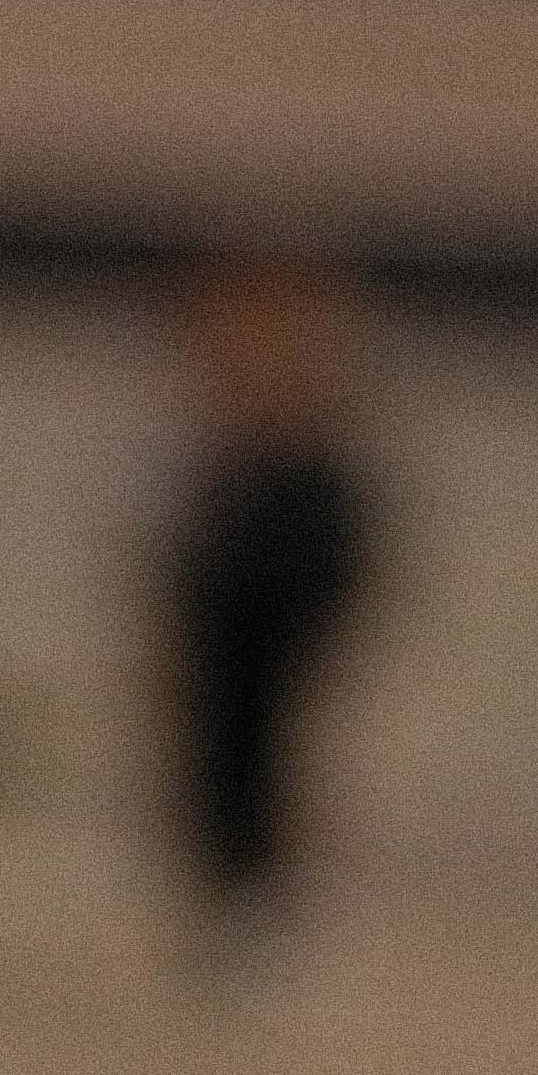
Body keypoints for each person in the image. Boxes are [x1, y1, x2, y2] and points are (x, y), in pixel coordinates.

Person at [160, 240, 377, 973]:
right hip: (234, 563)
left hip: (285, 549)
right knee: (219, 739)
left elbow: (342, 546)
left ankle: (260, 890)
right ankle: (230, 888)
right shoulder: (225, 434)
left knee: (268, 738)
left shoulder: (313, 436)